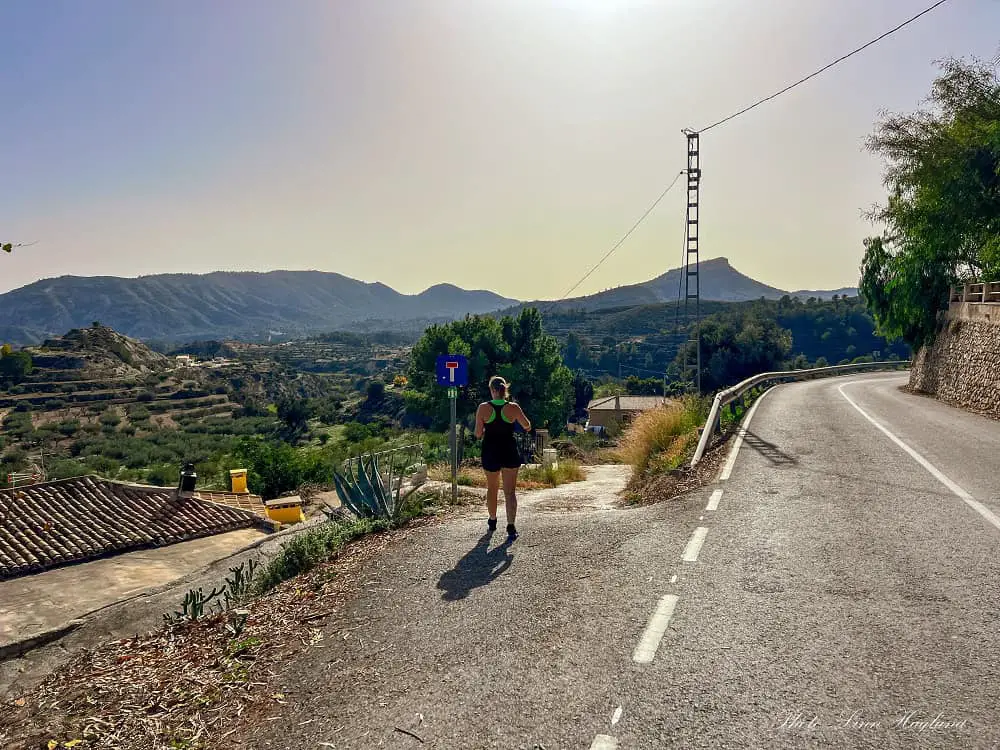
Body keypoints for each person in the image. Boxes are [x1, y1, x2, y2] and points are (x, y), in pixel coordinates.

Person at [474, 375, 531, 541]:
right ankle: (511, 526)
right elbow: (527, 425)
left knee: (492, 488)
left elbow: (478, 434)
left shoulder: (483, 408)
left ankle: (492, 521)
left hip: (490, 451)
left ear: (492, 390)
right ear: (505, 390)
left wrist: (486, 430)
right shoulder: (513, 407)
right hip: (509, 450)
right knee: (510, 492)